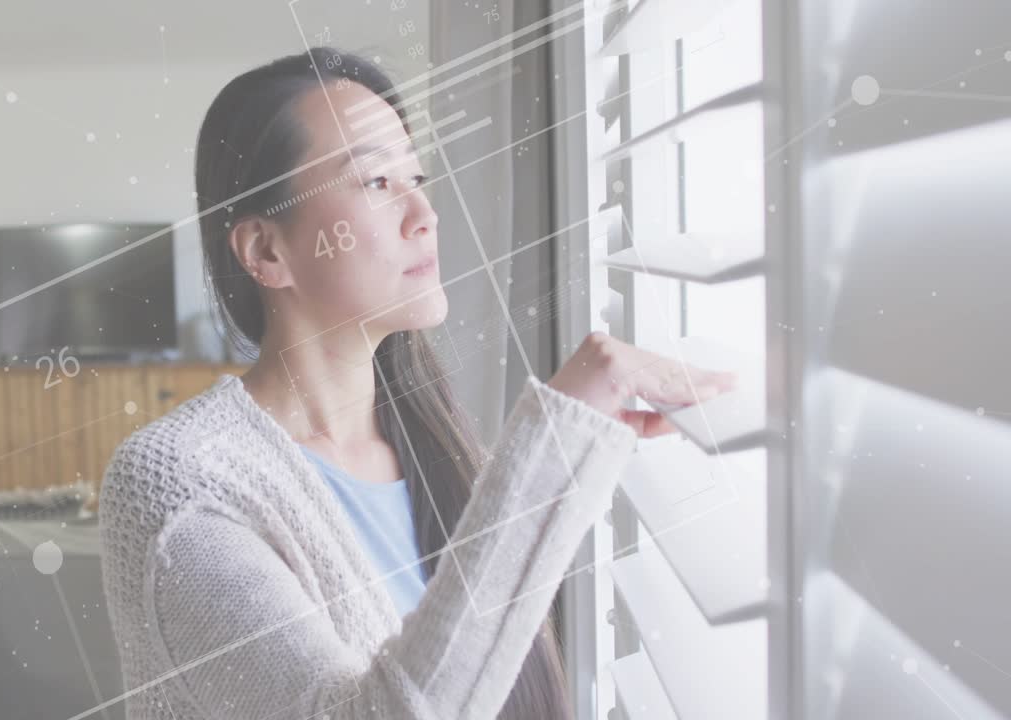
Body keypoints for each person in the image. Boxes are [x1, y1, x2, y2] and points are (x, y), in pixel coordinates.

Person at [99, 47, 734, 720]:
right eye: (375, 182)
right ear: (266, 251)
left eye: (417, 176)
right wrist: (555, 443)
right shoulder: (177, 488)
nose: (424, 213)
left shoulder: (436, 448)